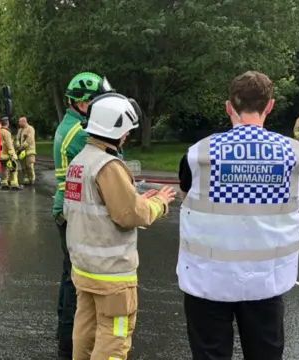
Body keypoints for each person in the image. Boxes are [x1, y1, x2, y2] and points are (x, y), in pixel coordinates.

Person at [177, 71, 299, 360]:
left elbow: (186, 197)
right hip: (266, 281)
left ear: (229, 107)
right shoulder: (298, 156)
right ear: (270, 106)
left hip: (207, 281)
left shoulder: (198, 155)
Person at [63, 92, 175, 359]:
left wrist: (134, 199)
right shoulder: (108, 165)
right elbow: (131, 215)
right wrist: (159, 202)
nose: (127, 136)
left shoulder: (80, 162)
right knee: (115, 338)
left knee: (85, 333)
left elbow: (94, 208)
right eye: (126, 130)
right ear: (116, 128)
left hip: (84, 269)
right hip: (112, 276)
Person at [52, 72, 114, 359]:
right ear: (79, 103)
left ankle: (65, 336)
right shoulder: (79, 133)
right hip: (72, 213)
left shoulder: (73, 125)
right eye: (95, 102)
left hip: (67, 211)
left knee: (69, 274)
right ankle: (68, 341)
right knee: (74, 279)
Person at [0, 117, 19, 190]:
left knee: (4, 169)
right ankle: (14, 185)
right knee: (14, 168)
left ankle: (4, 184)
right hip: (5, 154)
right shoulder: (6, 132)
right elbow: (9, 144)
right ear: (7, 123)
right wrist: (12, 155)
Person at [15, 116, 36, 185]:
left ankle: (32, 179)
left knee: (29, 165)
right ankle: (26, 180)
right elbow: (17, 138)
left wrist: (22, 146)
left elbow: (29, 139)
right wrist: (17, 144)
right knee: (23, 167)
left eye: (20, 122)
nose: (19, 123)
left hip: (30, 150)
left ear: (24, 121)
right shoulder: (20, 130)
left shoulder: (30, 129)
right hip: (22, 152)